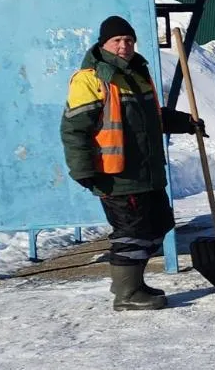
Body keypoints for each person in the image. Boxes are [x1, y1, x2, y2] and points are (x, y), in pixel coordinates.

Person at [60, 16, 205, 311]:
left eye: (128, 40)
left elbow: (153, 117)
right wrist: (83, 170)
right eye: (117, 41)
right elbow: (74, 129)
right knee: (132, 234)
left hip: (147, 171)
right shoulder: (90, 79)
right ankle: (126, 295)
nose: (124, 45)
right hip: (116, 175)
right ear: (104, 44)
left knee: (159, 224)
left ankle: (133, 283)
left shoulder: (138, 73)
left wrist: (185, 123)